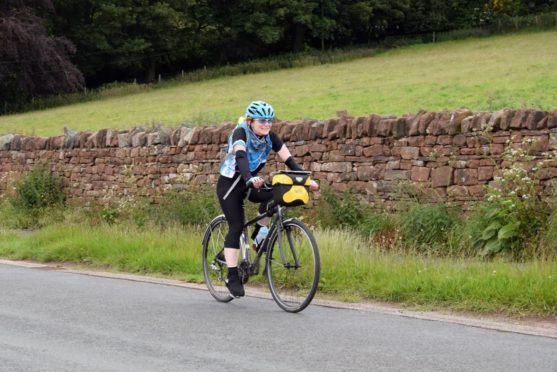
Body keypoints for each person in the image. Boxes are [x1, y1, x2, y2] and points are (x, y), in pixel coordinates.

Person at [217, 100, 318, 297]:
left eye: (270, 120)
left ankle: (260, 231)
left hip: (251, 181)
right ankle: (232, 276)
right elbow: (241, 157)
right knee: (236, 226)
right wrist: (248, 178)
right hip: (230, 184)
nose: (267, 124)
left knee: (277, 193)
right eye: (262, 120)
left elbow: (289, 161)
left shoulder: (271, 137)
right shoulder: (240, 133)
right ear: (251, 120)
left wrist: (307, 181)